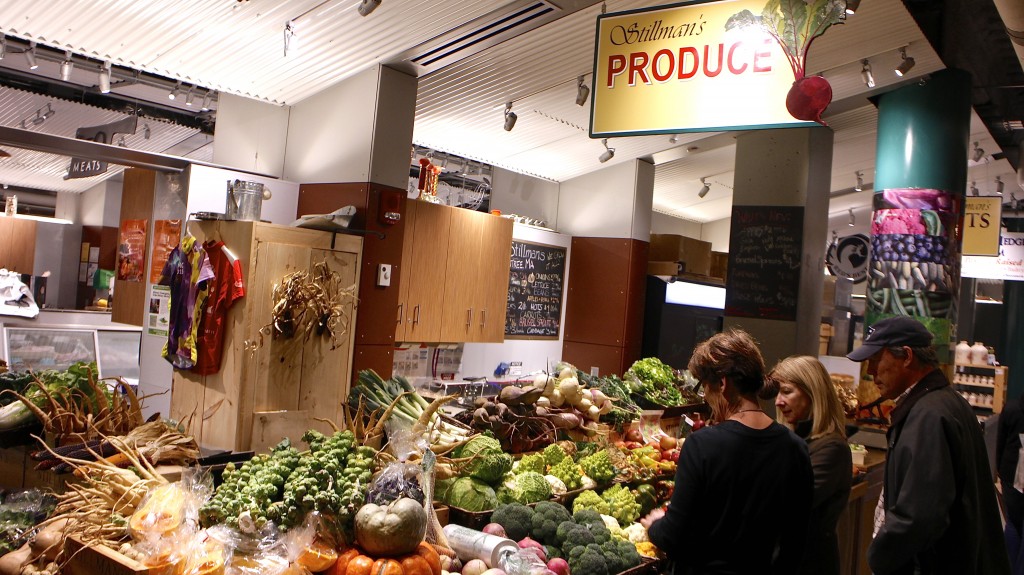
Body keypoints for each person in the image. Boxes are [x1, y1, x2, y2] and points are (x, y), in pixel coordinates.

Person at [847, 316, 1010, 575]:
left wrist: (878, 556)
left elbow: (919, 516)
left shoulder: (928, 416)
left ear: (907, 356)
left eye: (876, 359)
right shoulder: (945, 403)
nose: (870, 370)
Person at [641, 329, 813, 574]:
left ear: (723, 384)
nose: (707, 399)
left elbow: (673, 535)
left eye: (706, 389)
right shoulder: (796, 449)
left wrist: (655, 526)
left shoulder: (702, 445)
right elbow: (795, 544)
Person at [767, 355, 852, 575]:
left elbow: (787, 502)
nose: (778, 401)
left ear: (813, 393)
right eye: (777, 393)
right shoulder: (794, 441)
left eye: (786, 391)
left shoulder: (832, 448)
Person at [997, 392, 1024, 570]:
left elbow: (1000, 443)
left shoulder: (1012, 408)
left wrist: (1000, 472)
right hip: (1013, 475)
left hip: (1011, 474)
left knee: (1013, 524)